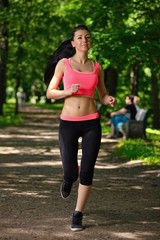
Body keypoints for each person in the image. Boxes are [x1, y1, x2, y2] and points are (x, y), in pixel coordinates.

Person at [44, 25, 116, 231]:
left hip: (91, 122)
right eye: (80, 37)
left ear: (89, 42)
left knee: (87, 171)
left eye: (87, 37)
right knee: (71, 172)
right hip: (68, 123)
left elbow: (102, 93)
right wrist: (67, 91)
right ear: (73, 43)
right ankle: (68, 179)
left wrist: (107, 98)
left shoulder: (97, 66)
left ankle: (77, 214)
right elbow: (50, 92)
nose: (84, 40)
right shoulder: (64, 64)